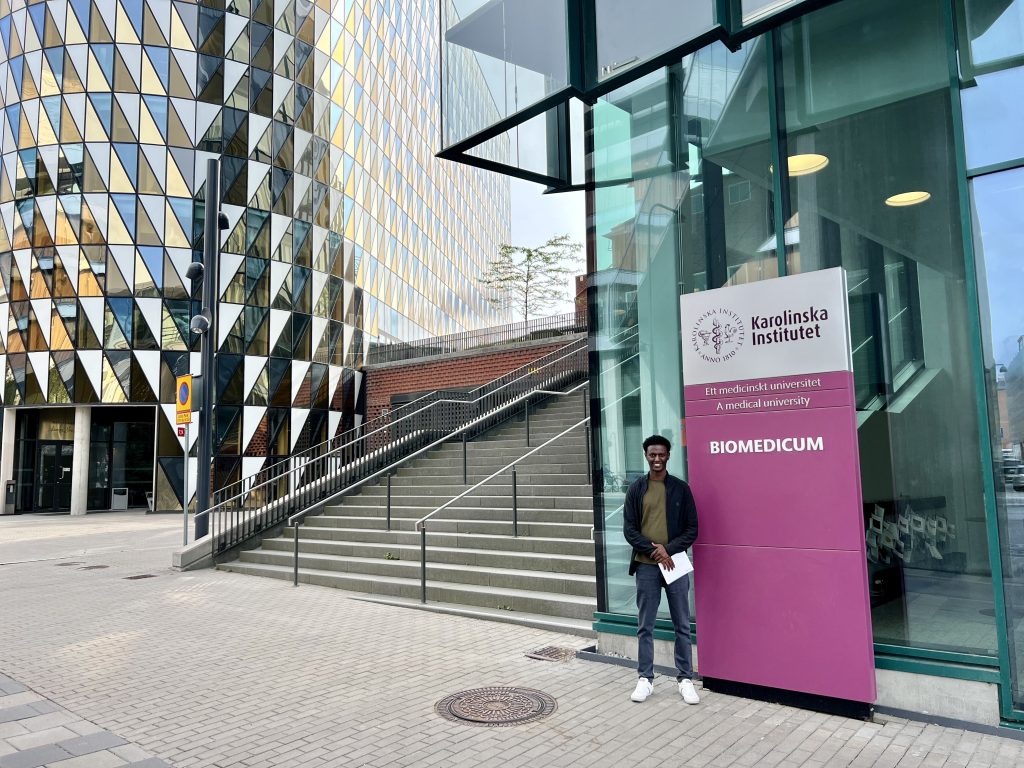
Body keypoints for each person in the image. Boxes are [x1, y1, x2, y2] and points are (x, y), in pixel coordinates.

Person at [623, 434, 700, 704]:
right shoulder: (636, 489)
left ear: (669, 455)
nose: (657, 459)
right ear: (646, 455)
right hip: (646, 567)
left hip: (675, 564)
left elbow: (692, 529)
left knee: (681, 623)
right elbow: (629, 530)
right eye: (652, 454)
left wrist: (670, 549)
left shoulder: (681, 489)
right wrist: (656, 550)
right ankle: (645, 678)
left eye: (661, 454)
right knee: (646, 625)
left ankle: (685, 679)